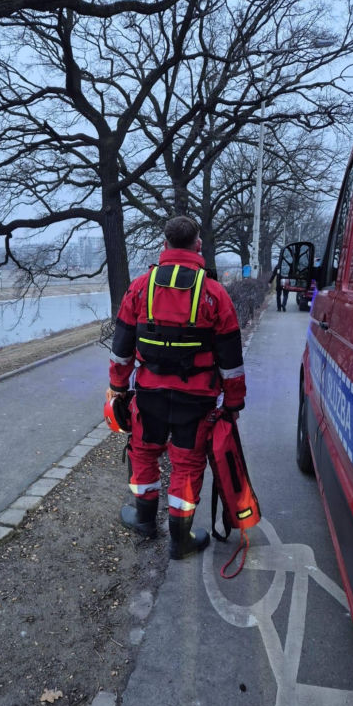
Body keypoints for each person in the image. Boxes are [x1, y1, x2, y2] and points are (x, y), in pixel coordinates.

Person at [106, 215, 246, 560]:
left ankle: (144, 520)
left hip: (149, 395)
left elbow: (121, 349)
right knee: (187, 463)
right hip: (196, 400)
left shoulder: (140, 288)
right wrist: (233, 403)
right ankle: (180, 540)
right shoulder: (214, 294)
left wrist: (117, 388)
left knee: (143, 452)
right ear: (197, 245)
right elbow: (231, 360)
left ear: (164, 245)